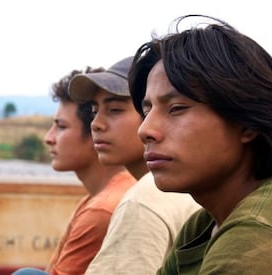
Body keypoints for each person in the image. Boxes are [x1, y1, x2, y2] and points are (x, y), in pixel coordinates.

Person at [128, 14, 272, 274]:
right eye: (147, 111)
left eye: (177, 108)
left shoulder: (257, 239)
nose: (145, 130)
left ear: (247, 123)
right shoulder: (204, 225)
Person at [69, 57, 201, 274]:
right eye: (94, 111)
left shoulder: (143, 200)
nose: (96, 123)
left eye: (115, 110)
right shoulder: (193, 185)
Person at [13, 67, 136, 275]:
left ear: (93, 134)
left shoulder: (102, 209)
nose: (48, 138)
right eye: (95, 112)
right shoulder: (98, 198)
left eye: (61, 127)